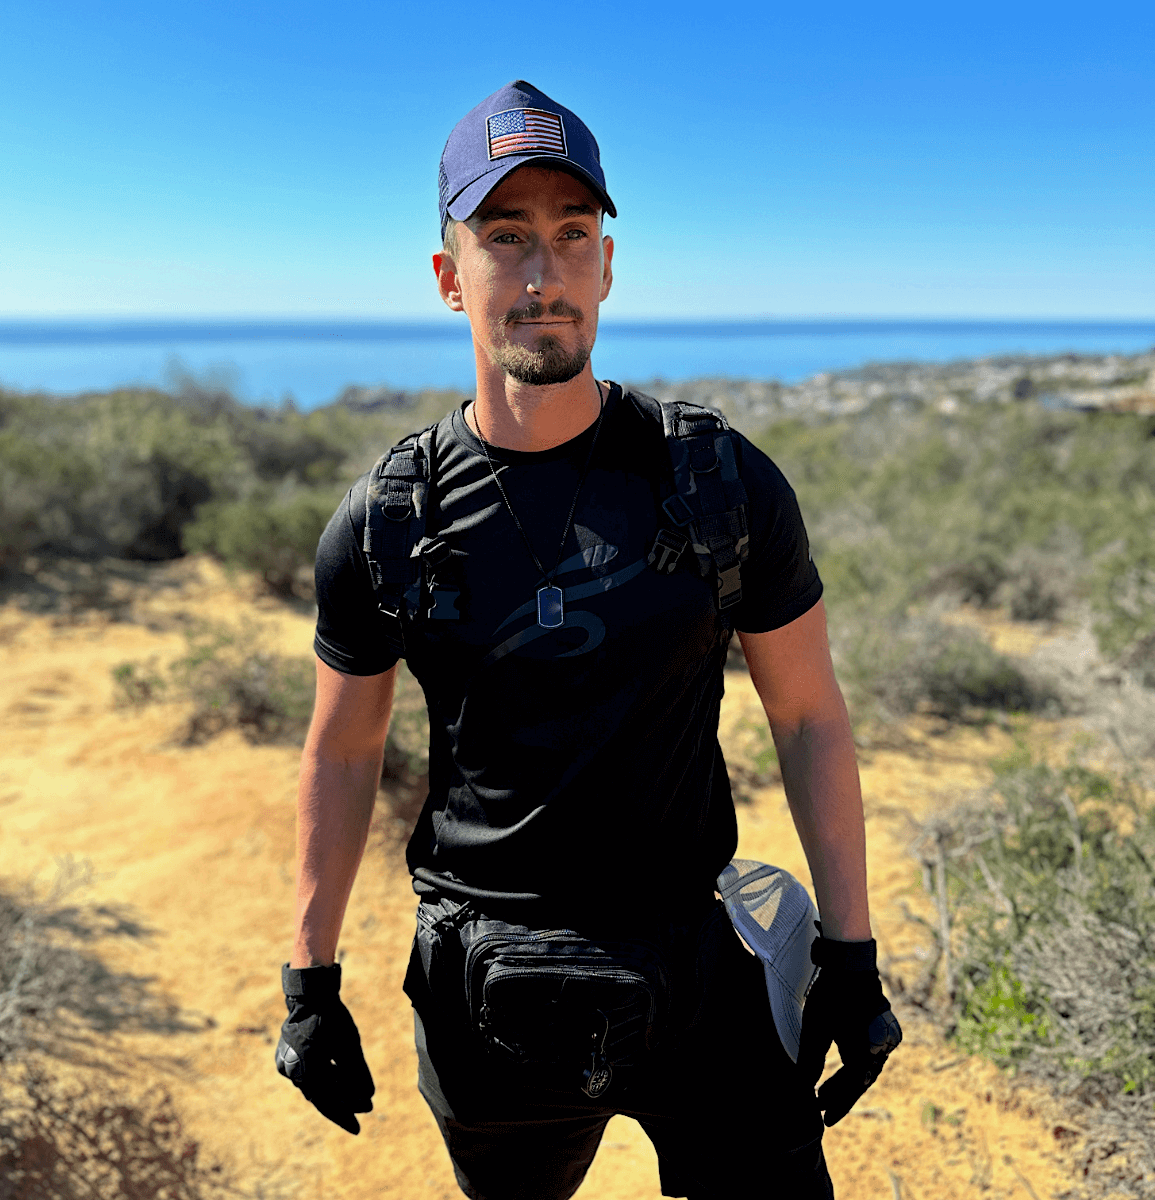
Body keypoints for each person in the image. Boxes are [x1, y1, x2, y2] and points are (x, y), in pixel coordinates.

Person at [274, 80, 901, 1200]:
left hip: (698, 965)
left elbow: (808, 715)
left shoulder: (717, 481)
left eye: (571, 236)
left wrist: (849, 956)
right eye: (504, 237)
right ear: (448, 277)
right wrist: (309, 982)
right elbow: (343, 749)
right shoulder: (387, 520)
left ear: (607, 267)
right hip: (483, 982)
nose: (543, 275)